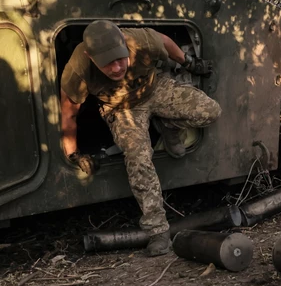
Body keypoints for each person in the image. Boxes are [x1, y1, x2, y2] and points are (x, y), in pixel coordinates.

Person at [60, 20, 222, 256]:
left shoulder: (138, 39)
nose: (116, 68)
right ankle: (158, 231)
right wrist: (73, 154)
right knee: (138, 158)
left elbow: (165, 42)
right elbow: (68, 112)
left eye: (120, 59)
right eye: (108, 64)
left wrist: (189, 63)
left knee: (210, 111)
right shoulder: (78, 68)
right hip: (121, 108)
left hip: (154, 88)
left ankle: (167, 124)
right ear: (90, 56)